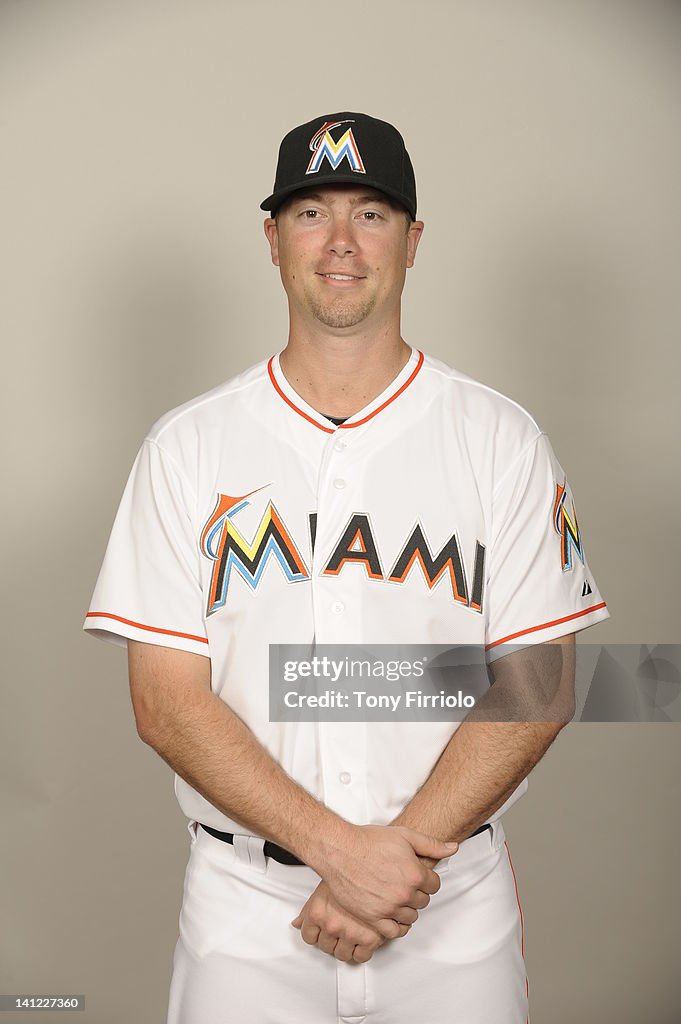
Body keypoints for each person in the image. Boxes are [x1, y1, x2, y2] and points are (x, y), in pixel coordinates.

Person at [84, 111, 609, 1023]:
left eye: (369, 215)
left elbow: (538, 683)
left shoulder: (497, 439)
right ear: (272, 239)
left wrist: (394, 860)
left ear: (412, 242)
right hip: (246, 916)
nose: (338, 243)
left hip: (448, 908)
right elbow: (167, 703)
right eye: (309, 213)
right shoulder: (186, 447)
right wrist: (342, 852)